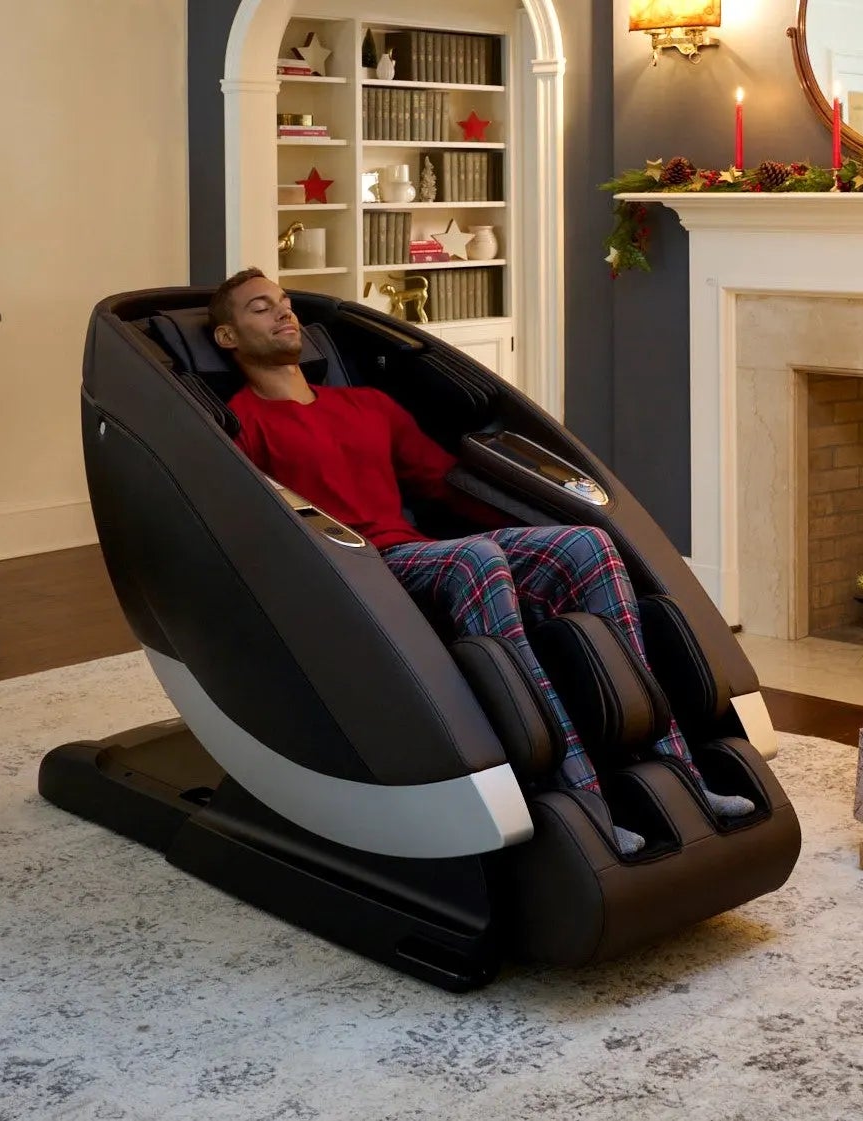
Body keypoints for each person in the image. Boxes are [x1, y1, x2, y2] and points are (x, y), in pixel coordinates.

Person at [209, 269, 752, 855]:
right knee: (477, 560)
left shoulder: (366, 403)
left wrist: (543, 515)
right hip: (362, 569)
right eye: (261, 309)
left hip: (422, 551)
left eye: (285, 304)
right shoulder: (245, 427)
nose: (283, 314)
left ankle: (682, 776)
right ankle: (584, 800)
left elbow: (446, 484)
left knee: (585, 545)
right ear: (228, 338)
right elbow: (260, 526)